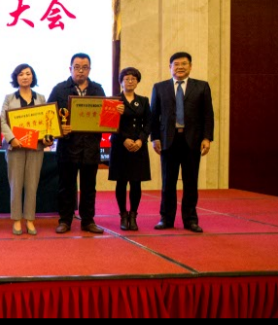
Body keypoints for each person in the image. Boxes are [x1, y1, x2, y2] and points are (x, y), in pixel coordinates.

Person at [151, 52, 214, 233]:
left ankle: (190, 220)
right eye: (176, 64)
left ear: (190, 66)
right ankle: (166, 218)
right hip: (168, 141)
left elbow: (208, 115)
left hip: (192, 141)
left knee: (191, 182)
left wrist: (207, 138)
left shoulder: (201, 87)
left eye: (184, 64)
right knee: (168, 182)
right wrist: (154, 138)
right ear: (170, 67)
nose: (180, 67)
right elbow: (154, 115)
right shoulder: (160, 87)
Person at [48, 53, 106, 234]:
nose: (81, 71)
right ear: (70, 69)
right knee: (66, 186)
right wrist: (59, 129)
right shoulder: (59, 89)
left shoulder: (98, 90)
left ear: (90, 69)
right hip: (68, 147)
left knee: (89, 187)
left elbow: (105, 116)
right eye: (77, 67)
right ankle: (65, 221)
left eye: (85, 67)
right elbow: (49, 116)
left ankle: (88, 221)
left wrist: (116, 111)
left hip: (90, 147)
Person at [1, 64, 54, 236]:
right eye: (21, 74)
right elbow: (2, 121)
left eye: (28, 74)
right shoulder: (9, 98)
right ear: (16, 78)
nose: (25, 77)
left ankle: (30, 219)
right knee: (16, 184)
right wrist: (12, 138)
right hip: (15, 147)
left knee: (32, 184)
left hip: (35, 147)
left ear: (33, 77)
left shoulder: (41, 98)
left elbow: (47, 122)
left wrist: (47, 138)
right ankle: (17, 219)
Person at [108, 67, 151, 231]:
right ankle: (123, 215)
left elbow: (148, 123)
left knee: (136, 182)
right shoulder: (114, 101)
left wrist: (140, 140)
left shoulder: (144, 101)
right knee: (121, 182)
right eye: (126, 79)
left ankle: (133, 215)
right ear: (121, 82)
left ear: (137, 81)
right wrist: (124, 139)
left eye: (133, 79)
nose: (130, 81)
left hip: (138, 147)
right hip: (120, 146)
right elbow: (109, 122)